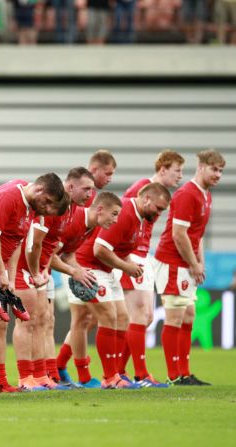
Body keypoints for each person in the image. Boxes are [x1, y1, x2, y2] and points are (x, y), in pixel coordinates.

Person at [0, 173, 66, 393]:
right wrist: (1, 271)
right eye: (46, 202)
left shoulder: (30, 207)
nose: (46, 209)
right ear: (38, 190)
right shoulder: (10, 196)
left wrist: (9, 274)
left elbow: (17, 243)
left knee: (0, 324)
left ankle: (0, 380)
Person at [76, 183, 171, 389]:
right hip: (90, 268)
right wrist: (127, 267)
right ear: (146, 199)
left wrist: (128, 262)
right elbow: (99, 249)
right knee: (104, 318)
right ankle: (109, 377)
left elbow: (121, 246)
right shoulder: (127, 213)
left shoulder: (139, 218)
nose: (159, 214)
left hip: (107, 269)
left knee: (122, 318)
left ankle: (115, 374)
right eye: (159, 208)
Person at [13, 167, 94, 391]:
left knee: (45, 321)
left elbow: (54, 248)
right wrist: (36, 272)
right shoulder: (51, 209)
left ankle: (45, 375)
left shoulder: (70, 211)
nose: (90, 194)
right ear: (70, 187)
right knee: (30, 321)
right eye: (86, 188)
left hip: (42, 270)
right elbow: (34, 244)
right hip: (28, 269)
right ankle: (27, 377)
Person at [155, 149, 225, 386]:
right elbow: (178, 234)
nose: (218, 175)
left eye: (221, 171)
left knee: (189, 314)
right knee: (174, 317)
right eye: (214, 169)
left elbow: (197, 235)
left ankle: (184, 372)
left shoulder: (205, 195)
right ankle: (174, 375)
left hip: (186, 262)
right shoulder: (187, 194)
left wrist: (200, 262)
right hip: (173, 262)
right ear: (201, 167)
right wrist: (193, 264)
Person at [121, 150, 184, 387]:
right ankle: (139, 374)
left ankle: (120, 371)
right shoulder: (142, 187)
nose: (180, 176)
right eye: (177, 170)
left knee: (145, 318)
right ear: (163, 169)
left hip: (143, 254)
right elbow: (121, 213)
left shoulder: (161, 196)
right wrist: (125, 257)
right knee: (139, 315)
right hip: (132, 256)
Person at [52, 191, 122, 387]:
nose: (116, 220)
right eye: (114, 214)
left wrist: (78, 270)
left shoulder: (90, 225)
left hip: (72, 268)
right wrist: (74, 272)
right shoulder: (75, 221)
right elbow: (48, 254)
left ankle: (62, 370)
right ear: (100, 209)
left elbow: (68, 253)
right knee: (105, 315)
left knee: (84, 319)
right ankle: (109, 377)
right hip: (34, 271)